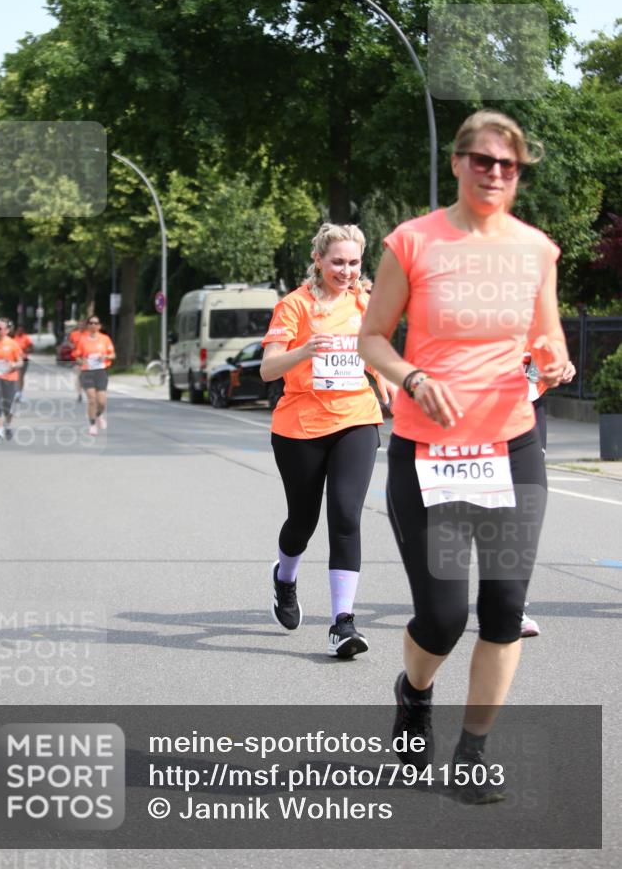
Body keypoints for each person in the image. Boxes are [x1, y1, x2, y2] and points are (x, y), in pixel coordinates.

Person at [359, 110, 568, 802]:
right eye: (481, 161)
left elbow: (546, 336)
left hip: (510, 445)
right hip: (428, 452)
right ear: (456, 164)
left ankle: (472, 754)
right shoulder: (412, 242)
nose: (494, 174)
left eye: (507, 165)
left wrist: (554, 358)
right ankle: (414, 690)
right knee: (443, 616)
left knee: (504, 607)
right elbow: (372, 340)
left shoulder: (536, 249)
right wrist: (413, 377)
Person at [260, 223, 395, 658]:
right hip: (299, 426)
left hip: (356, 419)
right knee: (302, 522)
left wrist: (386, 379)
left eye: (354, 262)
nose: (347, 270)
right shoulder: (293, 306)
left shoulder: (365, 303)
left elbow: (373, 351)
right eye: (338, 261)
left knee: (345, 515)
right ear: (318, 259)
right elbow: (266, 370)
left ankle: (343, 622)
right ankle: (284, 578)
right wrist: (303, 352)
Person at [519, 352, 576, 637]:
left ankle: (514, 605)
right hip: (480, 410)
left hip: (529, 404)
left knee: (528, 504)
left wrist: (562, 365)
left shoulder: (536, 307)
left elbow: (549, 349)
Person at [72, 315, 116, 436]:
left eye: (96, 323)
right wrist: (81, 361)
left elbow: (112, 355)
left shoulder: (105, 339)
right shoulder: (83, 340)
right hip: (87, 372)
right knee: (92, 399)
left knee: (101, 402)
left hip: (101, 371)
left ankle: (99, 415)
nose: (93, 325)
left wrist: (105, 357)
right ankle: (92, 425)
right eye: (91, 323)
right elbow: (77, 355)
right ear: (88, 325)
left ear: (99, 326)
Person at [12, 324, 34, 404]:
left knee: (21, 377)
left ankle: (19, 393)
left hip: (24, 359)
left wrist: (26, 351)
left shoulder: (26, 338)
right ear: (16, 330)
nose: (20, 331)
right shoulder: (13, 337)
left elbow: (32, 348)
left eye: (21, 330)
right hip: (15, 360)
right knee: (17, 376)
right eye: (19, 330)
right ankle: (15, 393)